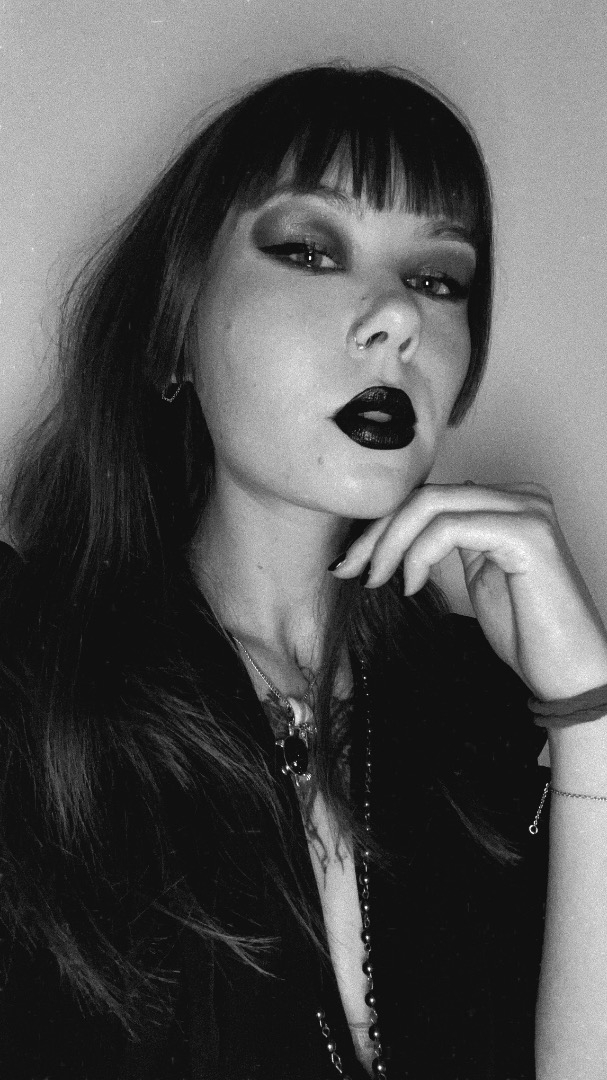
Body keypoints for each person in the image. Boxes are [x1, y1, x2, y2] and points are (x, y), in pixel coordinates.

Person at [0, 63, 606, 1080]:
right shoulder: (31, 677)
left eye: (437, 278)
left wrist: (589, 718)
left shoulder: (483, 716)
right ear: (170, 331)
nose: (398, 318)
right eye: (308, 251)